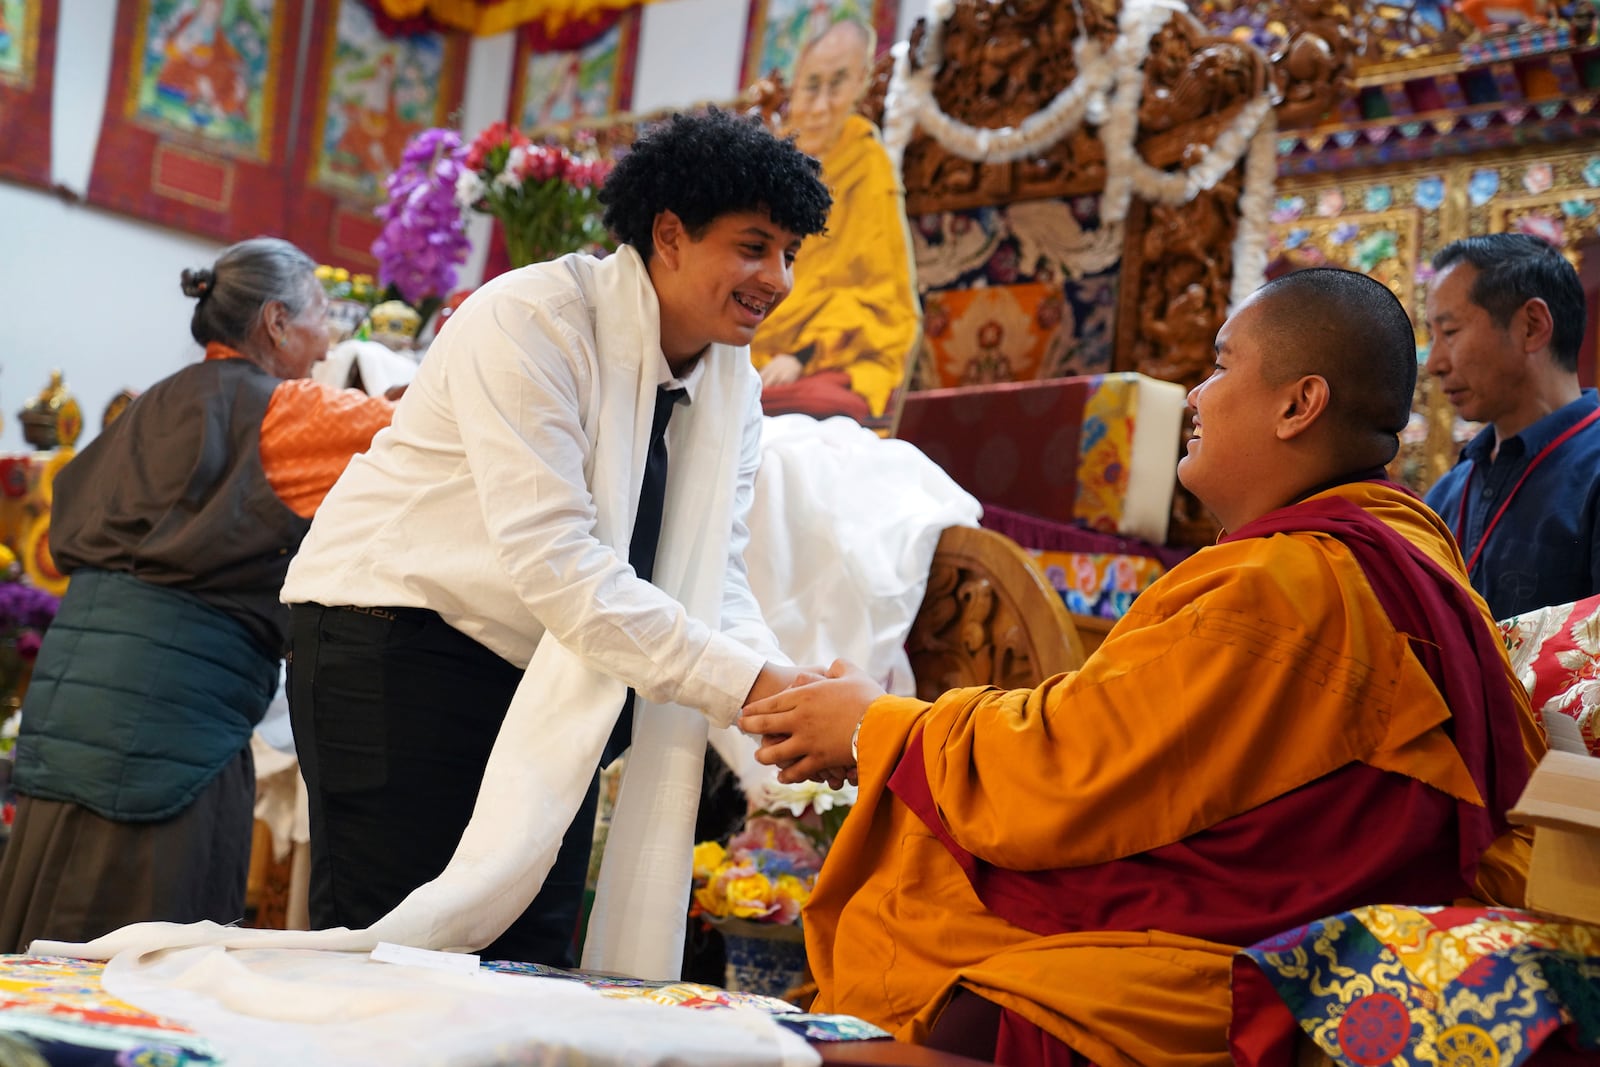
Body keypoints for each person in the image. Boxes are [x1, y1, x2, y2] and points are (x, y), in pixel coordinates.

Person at [742, 268, 1546, 1065]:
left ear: (1298, 405)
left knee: (934, 946)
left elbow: (1069, 764)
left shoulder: (1293, 583)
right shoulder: (1409, 553)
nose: (1194, 394)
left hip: (1243, 933)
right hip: (1290, 905)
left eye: (1222, 365)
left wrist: (871, 724)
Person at [280, 109, 833, 969]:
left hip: (549, 669)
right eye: (755, 246)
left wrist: (785, 699)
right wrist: (752, 682)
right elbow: (559, 562)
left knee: (525, 960)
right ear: (671, 234)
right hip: (393, 637)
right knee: (392, 963)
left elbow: (711, 583)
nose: (779, 279)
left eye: (791, 254)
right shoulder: (531, 319)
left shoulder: (734, 390)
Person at [0, 237, 395, 951]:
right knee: (139, 954)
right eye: (321, 315)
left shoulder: (151, 403)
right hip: (165, 731)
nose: (329, 338)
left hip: (69, 710)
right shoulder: (281, 412)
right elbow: (418, 435)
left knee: (44, 929)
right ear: (275, 322)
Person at [749, 17, 920, 429]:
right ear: (794, 86)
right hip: (753, 341)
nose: (822, 104)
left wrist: (802, 354)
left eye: (838, 84)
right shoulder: (771, 159)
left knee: (817, 404)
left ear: (861, 83)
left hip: (837, 350)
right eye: (812, 85)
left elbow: (878, 294)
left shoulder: (865, 161)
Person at [1422, 232, 1600, 619]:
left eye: (1449, 333)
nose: (1434, 363)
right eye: (1431, 336)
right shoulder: (1446, 494)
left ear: (1532, 326)